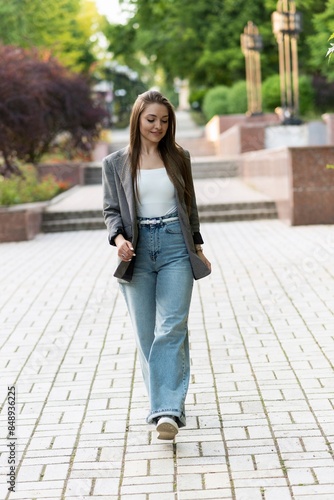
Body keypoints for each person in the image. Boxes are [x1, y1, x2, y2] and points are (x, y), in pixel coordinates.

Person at [102, 90, 211, 440]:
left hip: (176, 248)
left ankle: (166, 411)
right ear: (137, 119)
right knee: (147, 335)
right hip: (137, 251)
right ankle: (166, 403)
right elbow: (111, 212)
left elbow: (189, 206)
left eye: (164, 121)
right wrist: (119, 242)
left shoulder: (180, 157)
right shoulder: (115, 163)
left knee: (172, 328)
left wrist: (197, 244)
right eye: (151, 119)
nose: (158, 127)